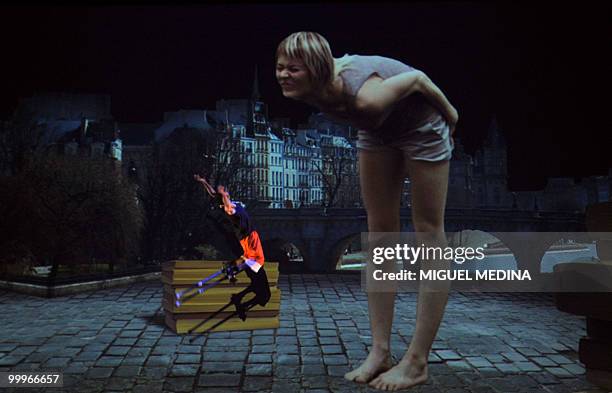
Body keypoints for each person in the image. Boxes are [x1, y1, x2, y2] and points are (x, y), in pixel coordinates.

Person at [275, 32, 458, 391]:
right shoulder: (318, 90)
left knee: (428, 232)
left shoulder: (366, 97)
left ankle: (417, 362)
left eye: (292, 69)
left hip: (421, 126)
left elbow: (419, 79)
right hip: (376, 131)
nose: (282, 75)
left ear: (315, 70)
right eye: (279, 67)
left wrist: (450, 115)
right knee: (379, 233)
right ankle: (380, 352)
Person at [194, 174, 271, 319]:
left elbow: (212, 194)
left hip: (248, 240)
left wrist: (203, 182)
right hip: (249, 239)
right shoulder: (229, 209)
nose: (225, 192)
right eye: (224, 192)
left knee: (256, 271)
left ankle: (237, 283)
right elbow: (223, 202)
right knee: (258, 266)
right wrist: (222, 194)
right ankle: (233, 270)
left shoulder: (226, 203)